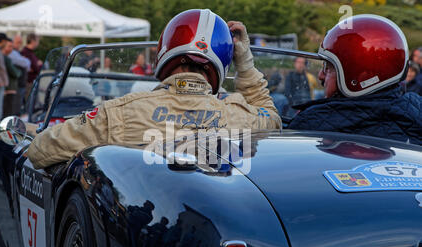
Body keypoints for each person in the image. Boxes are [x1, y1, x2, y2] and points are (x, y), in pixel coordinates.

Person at [26, 9, 281, 169]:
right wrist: (245, 62)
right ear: (222, 63)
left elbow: (39, 151)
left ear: (165, 50)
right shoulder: (242, 117)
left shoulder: (120, 113)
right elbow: (271, 116)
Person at [288, 14, 422, 145]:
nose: (321, 76)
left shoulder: (312, 122)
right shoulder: (416, 110)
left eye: (328, 68)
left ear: (357, 78)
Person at [9, 35, 31, 114]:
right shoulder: (12, 53)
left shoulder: (17, 52)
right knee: (15, 108)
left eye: (21, 43)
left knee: (18, 107)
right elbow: (25, 63)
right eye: (18, 42)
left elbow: (26, 63)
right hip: (16, 85)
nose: (20, 45)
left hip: (20, 84)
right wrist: (25, 60)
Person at [2, 39, 21, 117]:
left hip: (8, 88)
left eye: (12, 47)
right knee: (8, 113)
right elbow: (16, 73)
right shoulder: (5, 58)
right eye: (9, 46)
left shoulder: (5, 58)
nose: (11, 49)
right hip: (9, 88)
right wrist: (19, 71)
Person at [21, 33, 42, 99]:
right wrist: (37, 65)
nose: (38, 43)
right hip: (28, 83)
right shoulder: (25, 52)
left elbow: (36, 67)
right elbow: (34, 68)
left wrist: (37, 65)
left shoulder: (30, 52)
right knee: (29, 103)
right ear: (33, 41)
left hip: (32, 82)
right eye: (37, 41)